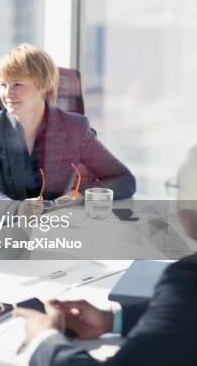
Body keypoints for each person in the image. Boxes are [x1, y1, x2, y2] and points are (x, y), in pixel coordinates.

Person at [14, 145, 197, 365]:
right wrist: (112, 319)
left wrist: (44, 340)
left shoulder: (186, 280)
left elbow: (123, 179)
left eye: (178, 187)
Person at [0, 44, 135, 216]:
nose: (7, 93)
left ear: (44, 86)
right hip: (7, 229)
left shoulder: (74, 128)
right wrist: (18, 208)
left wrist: (78, 195)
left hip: (59, 226)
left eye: (17, 84)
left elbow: (125, 180)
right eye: (3, 85)